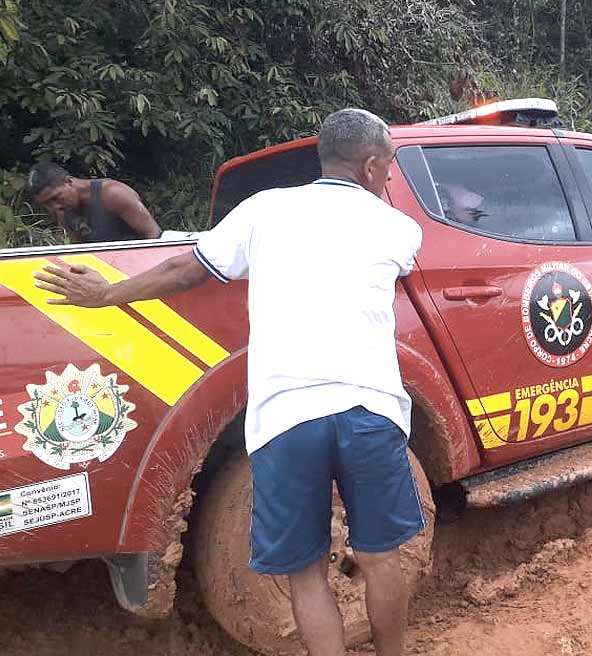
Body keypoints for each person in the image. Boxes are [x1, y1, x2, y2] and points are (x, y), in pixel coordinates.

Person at [33, 108, 426, 656]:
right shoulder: (399, 228)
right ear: (369, 166)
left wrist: (106, 294)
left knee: (306, 572)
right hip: (371, 410)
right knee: (383, 558)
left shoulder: (263, 210)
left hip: (284, 419)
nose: (389, 175)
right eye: (387, 165)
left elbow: (181, 271)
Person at [27, 162, 162, 242]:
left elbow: (154, 236)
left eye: (56, 197)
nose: (55, 206)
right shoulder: (63, 213)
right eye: (47, 203)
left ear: (68, 182)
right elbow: (80, 253)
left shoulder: (113, 194)